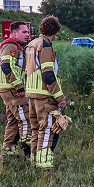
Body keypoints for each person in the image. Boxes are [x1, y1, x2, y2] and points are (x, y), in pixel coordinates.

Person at [24, 16, 67, 169]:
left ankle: (35, 160)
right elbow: (48, 74)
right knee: (48, 129)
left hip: (32, 94)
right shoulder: (45, 45)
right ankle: (44, 164)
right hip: (44, 96)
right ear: (54, 31)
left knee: (35, 129)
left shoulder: (31, 44)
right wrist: (59, 97)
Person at [0, 21, 33, 159]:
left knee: (13, 121)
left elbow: (16, 69)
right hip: (12, 89)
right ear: (14, 33)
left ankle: (8, 153)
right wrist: (19, 86)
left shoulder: (17, 46)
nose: (27, 35)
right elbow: (6, 66)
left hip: (9, 89)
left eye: (28, 32)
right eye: (24, 32)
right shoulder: (10, 45)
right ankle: (28, 150)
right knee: (25, 118)